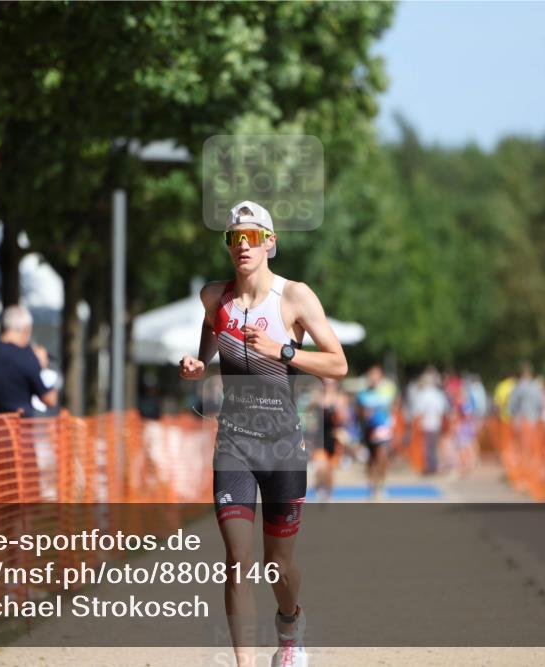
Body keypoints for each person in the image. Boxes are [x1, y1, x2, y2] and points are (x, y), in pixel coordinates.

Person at [179, 201, 347, 667]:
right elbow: (209, 350)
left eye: (252, 237)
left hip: (282, 448)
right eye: (235, 238)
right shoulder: (215, 298)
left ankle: (290, 625)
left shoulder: (294, 298)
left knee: (279, 565)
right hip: (234, 441)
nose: (243, 246)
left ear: (270, 243)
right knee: (237, 557)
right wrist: (197, 368)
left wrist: (284, 350)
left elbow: (338, 364)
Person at [356, 365, 397, 499]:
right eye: (371, 375)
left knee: (383, 457)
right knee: (372, 459)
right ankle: (372, 485)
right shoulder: (363, 395)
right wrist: (364, 414)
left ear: (380, 376)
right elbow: (358, 413)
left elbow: (395, 405)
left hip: (383, 429)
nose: (373, 378)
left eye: (376, 375)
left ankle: (382, 485)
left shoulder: (387, 391)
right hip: (369, 430)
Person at [411, 368, 448, 475]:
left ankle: (430, 467)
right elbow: (442, 410)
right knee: (434, 447)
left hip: (426, 424)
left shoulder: (423, 394)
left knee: (428, 447)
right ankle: (434, 466)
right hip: (436, 423)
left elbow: (419, 410)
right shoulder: (438, 394)